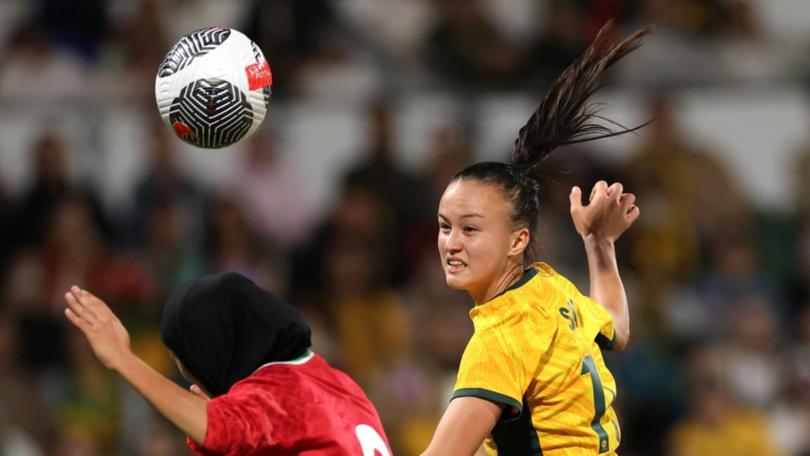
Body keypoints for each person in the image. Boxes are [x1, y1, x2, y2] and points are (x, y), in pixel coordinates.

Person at [421, 22, 650, 455]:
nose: (451, 243)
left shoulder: (499, 340)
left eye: (470, 229)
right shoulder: (550, 290)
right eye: (444, 225)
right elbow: (615, 328)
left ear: (517, 239)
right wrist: (599, 244)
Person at [62, 271, 392, 455]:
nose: (184, 372)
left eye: (182, 360)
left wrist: (123, 360)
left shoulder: (278, 395)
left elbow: (220, 429)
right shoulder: (337, 383)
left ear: (212, 353)